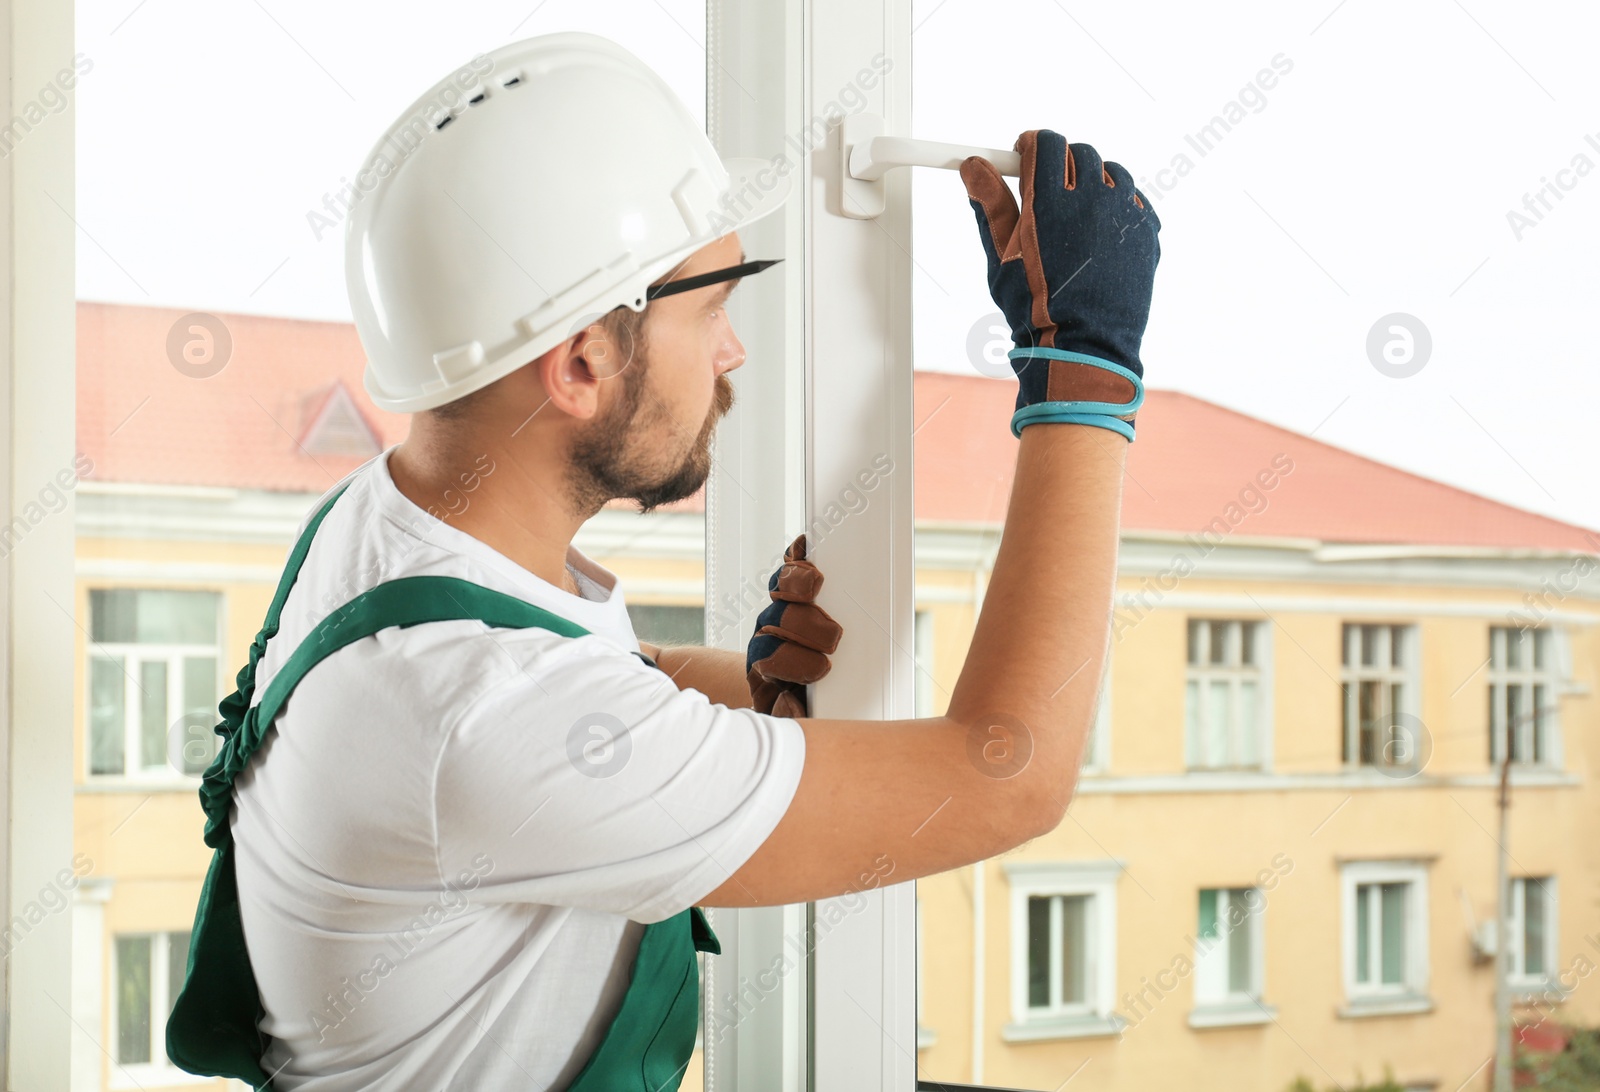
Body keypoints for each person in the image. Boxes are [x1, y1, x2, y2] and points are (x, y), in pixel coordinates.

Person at [167, 27, 1159, 1092]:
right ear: (585, 362)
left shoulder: (381, 527)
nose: (733, 349)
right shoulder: (481, 714)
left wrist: (741, 684)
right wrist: (1084, 371)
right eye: (715, 303)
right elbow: (1003, 777)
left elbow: (576, 688)